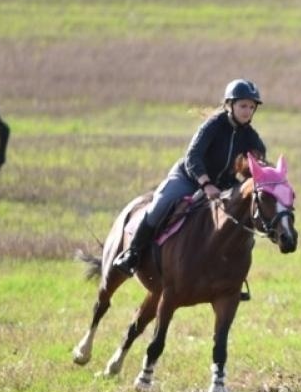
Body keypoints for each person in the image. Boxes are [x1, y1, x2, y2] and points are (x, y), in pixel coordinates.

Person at [112, 79, 269, 275]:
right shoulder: (213, 125)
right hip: (188, 178)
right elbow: (192, 157)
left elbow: (259, 164)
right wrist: (206, 184)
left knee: (243, 221)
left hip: (223, 186)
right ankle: (132, 254)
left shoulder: (251, 137)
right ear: (230, 105)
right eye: (243, 105)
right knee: (160, 205)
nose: (247, 111)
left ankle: (232, 275)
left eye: (251, 107)